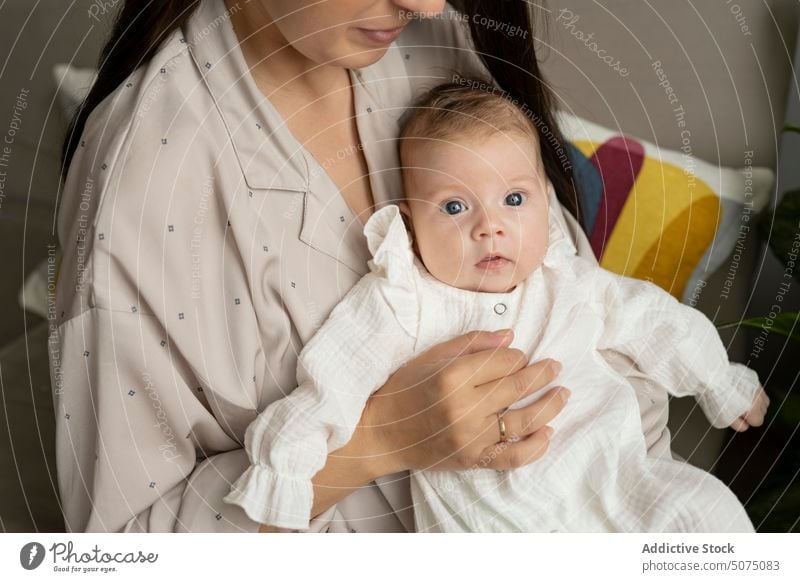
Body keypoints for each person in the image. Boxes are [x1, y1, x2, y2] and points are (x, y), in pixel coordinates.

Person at [52, 0, 673, 533]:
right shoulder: (143, 180)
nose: (428, 4)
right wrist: (376, 442)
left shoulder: (436, 46)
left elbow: (593, 319)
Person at [224, 82, 769, 532]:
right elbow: (330, 382)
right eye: (455, 206)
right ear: (412, 226)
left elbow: (654, 320)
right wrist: (286, 473)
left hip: (617, 484)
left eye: (514, 199)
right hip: (494, 525)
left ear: (544, 206)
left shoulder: (565, 282)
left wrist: (717, 379)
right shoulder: (404, 302)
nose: (490, 226)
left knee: (708, 513)